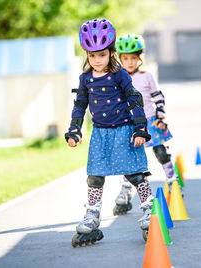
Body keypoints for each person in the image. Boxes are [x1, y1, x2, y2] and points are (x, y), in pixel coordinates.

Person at [65, 19, 154, 246]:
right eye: (92, 55)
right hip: (100, 134)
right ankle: (92, 216)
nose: (97, 60)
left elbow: (134, 98)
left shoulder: (120, 74)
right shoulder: (85, 78)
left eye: (102, 55)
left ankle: (149, 210)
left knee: (135, 174)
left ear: (111, 53)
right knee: (95, 177)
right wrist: (74, 130)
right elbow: (79, 105)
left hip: (125, 131)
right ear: (87, 54)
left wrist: (140, 128)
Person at [113, 33, 181, 215]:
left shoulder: (147, 76)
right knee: (130, 159)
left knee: (160, 152)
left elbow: (157, 96)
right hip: (129, 124)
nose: (129, 62)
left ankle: (172, 181)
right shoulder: (118, 78)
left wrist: (160, 117)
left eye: (133, 58)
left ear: (139, 58)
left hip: (150, 120)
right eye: (125, 58)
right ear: (120, 59)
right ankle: (126, 191)